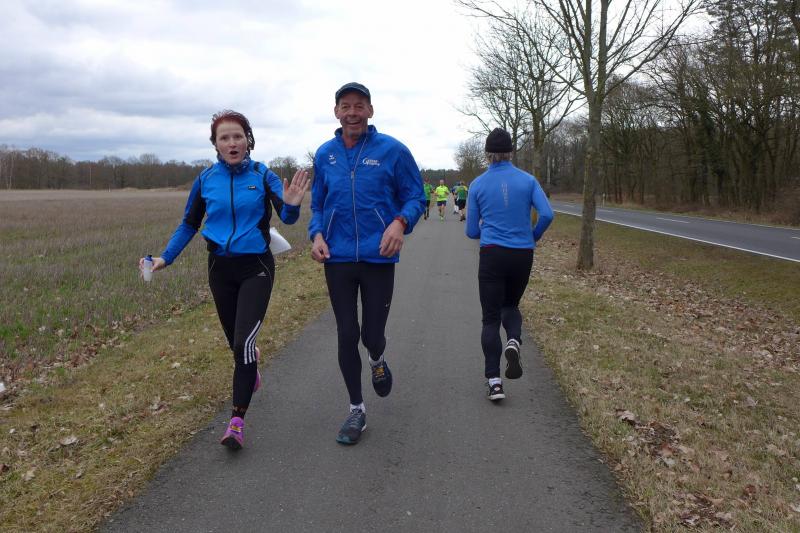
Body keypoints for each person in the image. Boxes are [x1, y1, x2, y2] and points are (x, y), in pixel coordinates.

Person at [139, 110, 309, 450]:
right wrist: (165, 258)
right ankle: (251, 367)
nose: (232, 143)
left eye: (238, 136)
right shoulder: (205, 179)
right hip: (220, 269)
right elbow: (189, 224)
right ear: (215, 144)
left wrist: (292, 205)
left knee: (243, 344)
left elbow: (288, 217)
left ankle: (236, 422)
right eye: (224, 138)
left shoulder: (262, 175)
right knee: (236, 344)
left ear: (248, 140)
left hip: (256, 267)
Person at [308, 82, 424, 445]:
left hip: (379, 256)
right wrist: (316, 235)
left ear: (370, 111)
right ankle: (356, 409)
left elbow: (415, 196)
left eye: (359, 106)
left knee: (371, 335)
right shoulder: (325, 155)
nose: (352, 113)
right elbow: (318, 204)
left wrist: (400, 222)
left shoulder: (393, 150)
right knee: (346, 333)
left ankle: (377, 357)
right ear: (336, 112)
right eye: (345, 106)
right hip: (337, 257)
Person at [465, 127, 553, 401]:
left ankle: (494, 382)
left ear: (487, 154)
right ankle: (513, 339)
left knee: (490, 318)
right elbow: (547, 214)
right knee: (511, 305)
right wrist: (532, 236)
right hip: (522, 254)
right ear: (511, 152)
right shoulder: (528, 181)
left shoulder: (477, 184)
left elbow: (471, 231)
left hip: (492, 253)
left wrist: (488, 229)